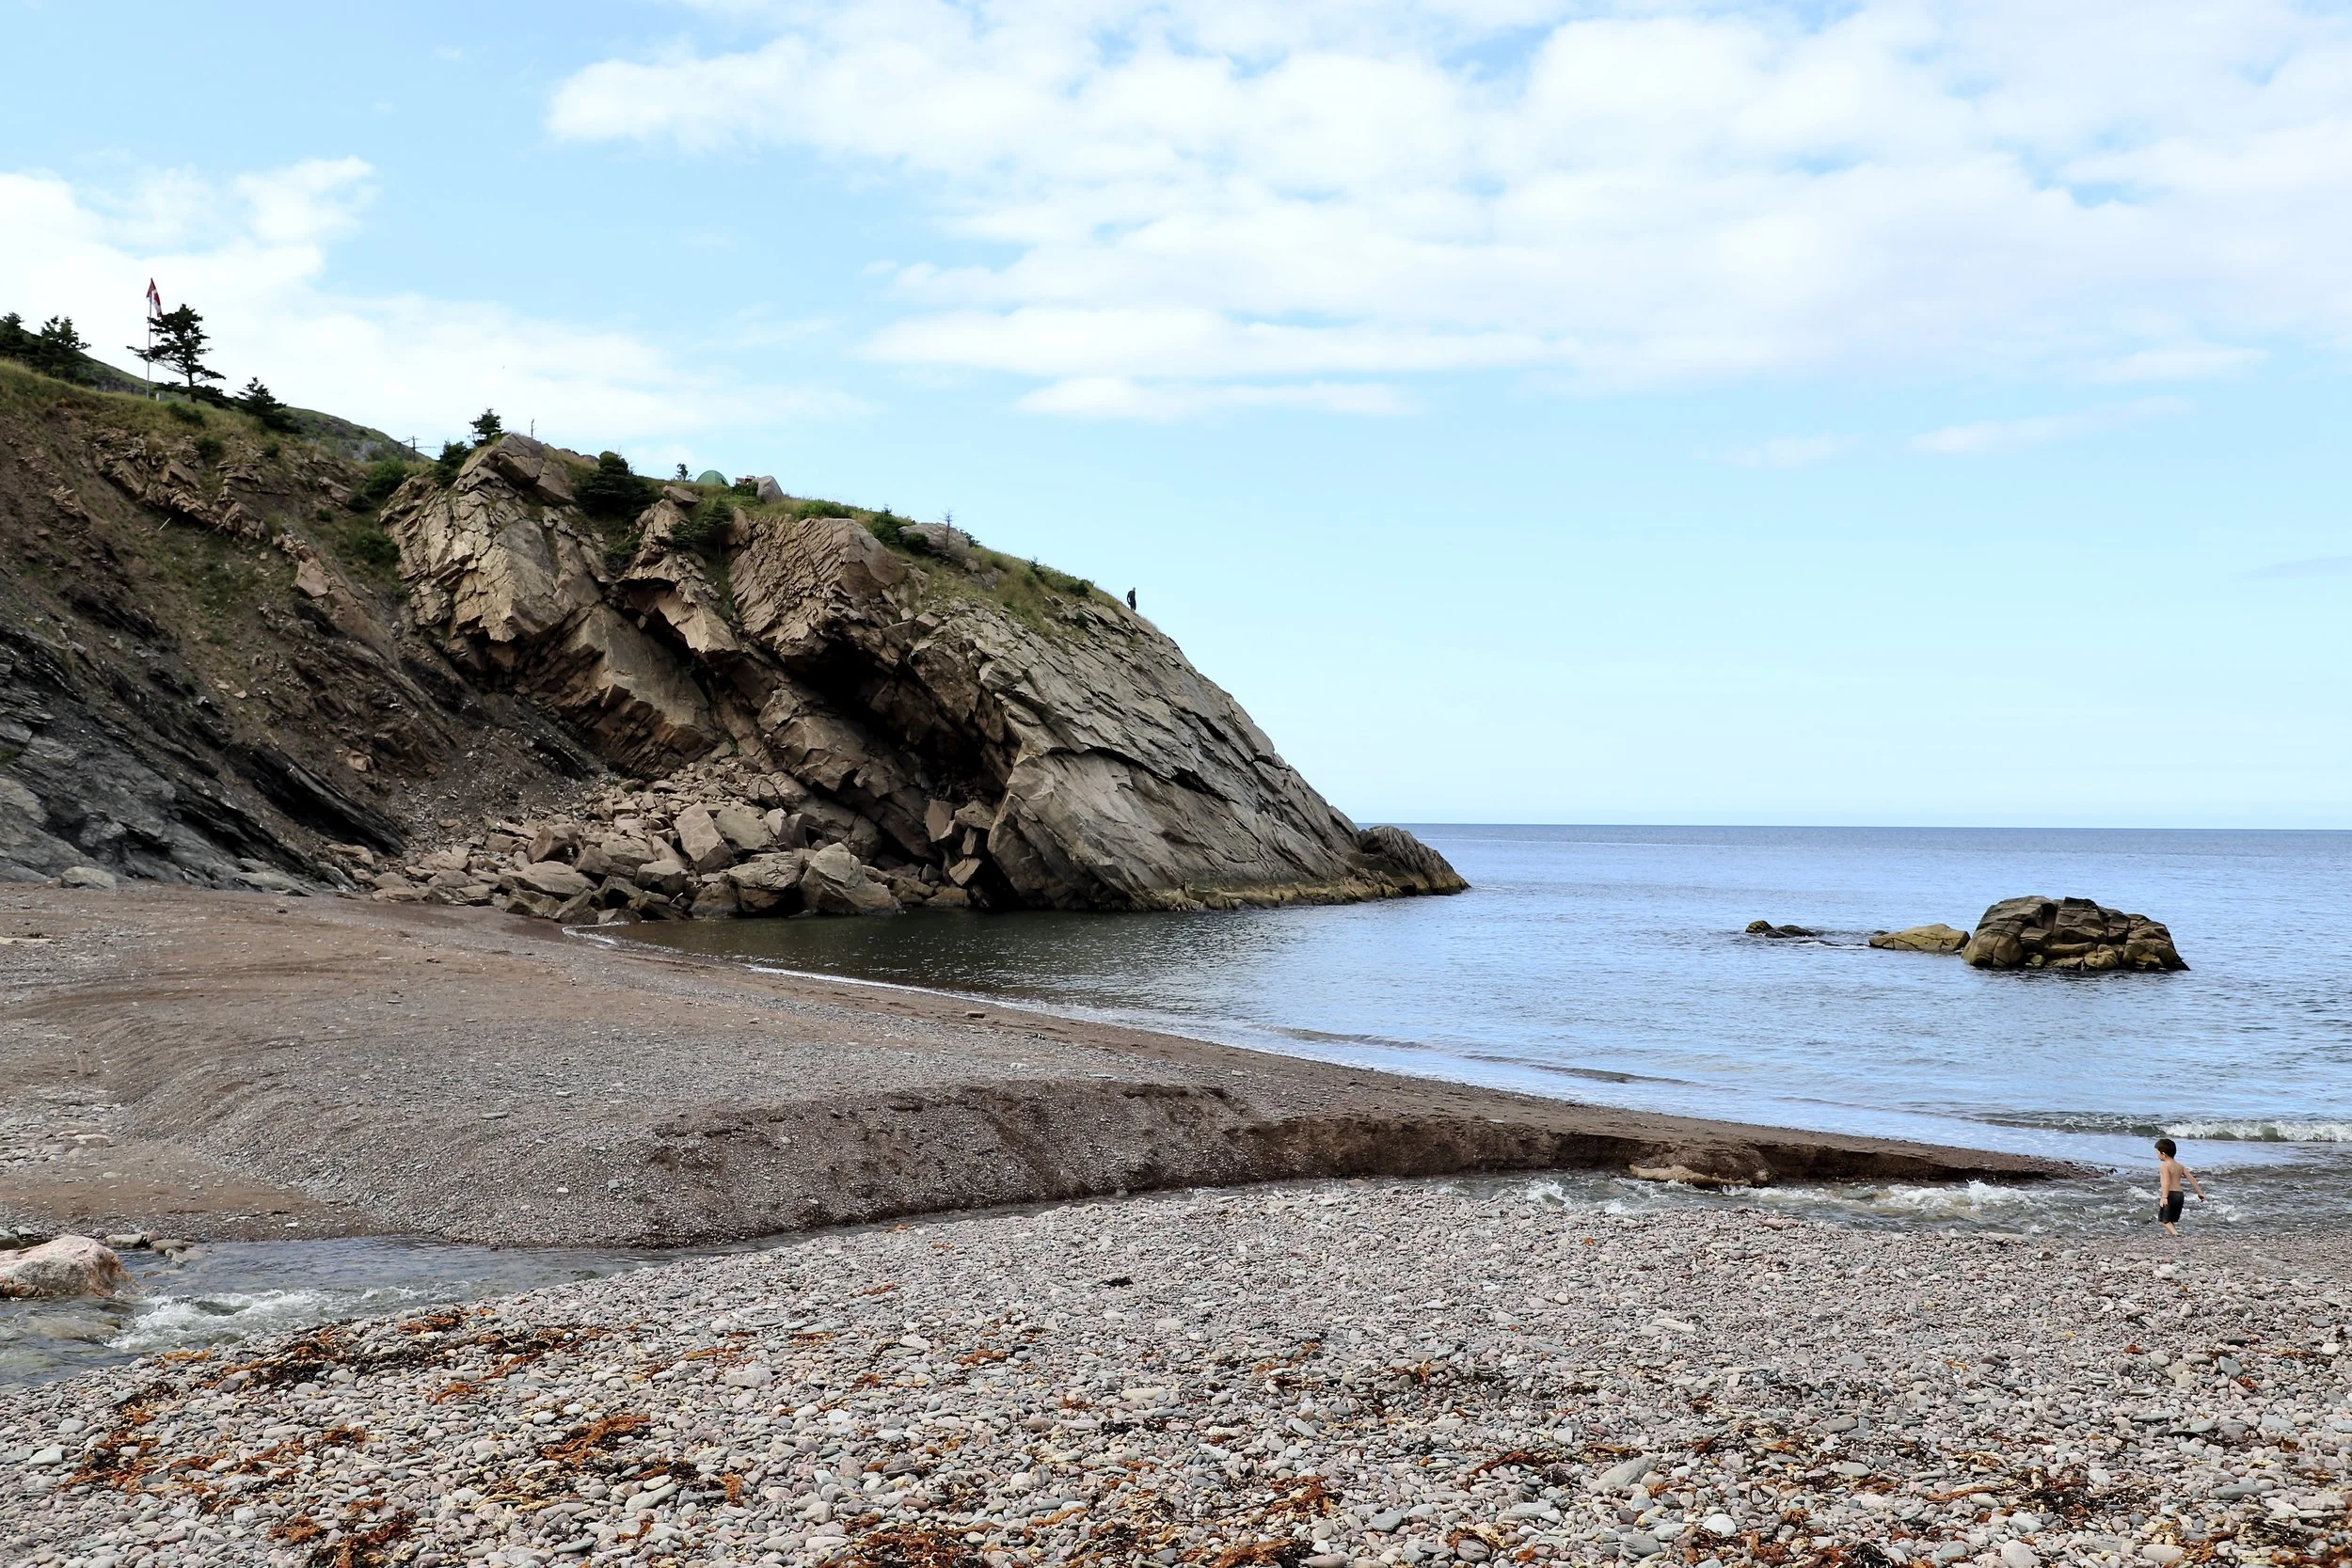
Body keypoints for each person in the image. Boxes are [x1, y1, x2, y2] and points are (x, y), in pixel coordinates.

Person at [2154, 1137, 2204, 1234]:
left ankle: (2176, 1235)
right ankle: (2173, 1235)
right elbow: (2192, 1179)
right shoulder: (2180, 1166)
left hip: (2170, 1194)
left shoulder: (2164, 1165)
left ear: (2163, 1154)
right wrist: (2200, 1193)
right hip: (2180, 1195)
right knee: (2170, 1218)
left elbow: (2166, 1182)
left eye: (2157, 1153)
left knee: (2164, 1220)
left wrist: (2164, 1196)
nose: (2157, 1155)